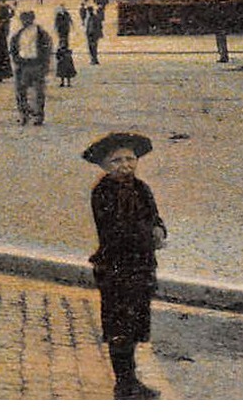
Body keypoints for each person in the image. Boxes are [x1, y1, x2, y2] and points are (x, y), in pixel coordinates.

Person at [83, 132, 167, 400]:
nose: (125, 165)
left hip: (141, 267)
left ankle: (131, 379)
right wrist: (146, 236)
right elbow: (116, 231)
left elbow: (155, 216)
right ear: (105, 165)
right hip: (116, 268)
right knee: (119, 325)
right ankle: (123, 383)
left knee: (135, 325)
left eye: (130, 159)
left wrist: (159, 230)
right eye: (117, 160)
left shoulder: (142, 188)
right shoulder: (103, 192)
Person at [10, 9, 52, 126]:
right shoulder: (18, 34)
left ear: (32, 19)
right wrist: (17, 61)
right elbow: (13, 49)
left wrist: (45, 64)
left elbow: (47, 49)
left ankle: (38, 116)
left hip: (36, 64)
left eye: (27, 19)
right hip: (23, 65)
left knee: (38, 92)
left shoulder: (41, 33)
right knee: (21, 92)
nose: (25, 21)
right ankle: (24, 115)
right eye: (23, 19)